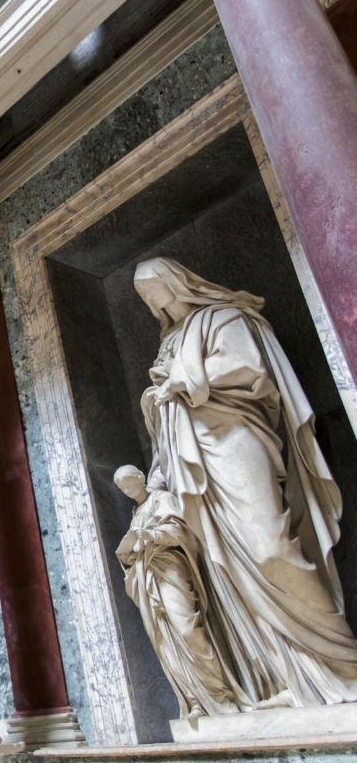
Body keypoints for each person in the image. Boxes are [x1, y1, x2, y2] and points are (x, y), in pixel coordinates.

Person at [133, 258, 357, 709]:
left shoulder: (223, 317)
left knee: (269, 547)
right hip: (188, 459)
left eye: (154, 287)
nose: (151, 299)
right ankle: (279, 677)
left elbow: (246, 367)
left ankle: (342, 665)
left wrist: (179, 381)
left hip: (234, 438)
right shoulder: (170, 341)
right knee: (223, 567)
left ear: (176, 280)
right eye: (143, 295)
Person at [114, 465, 248, 718]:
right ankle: (194, 700)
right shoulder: (136, 513)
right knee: (166, 640)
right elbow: (134, 551)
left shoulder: (161, 499)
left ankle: (221, 695)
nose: (126, 489)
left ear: (141, 478)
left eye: (128, 482)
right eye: (121, 487)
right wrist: (129, 554)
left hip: (169, 569)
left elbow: (179, 531)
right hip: (148, 576)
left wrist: (151, 533)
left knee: (188, 629)